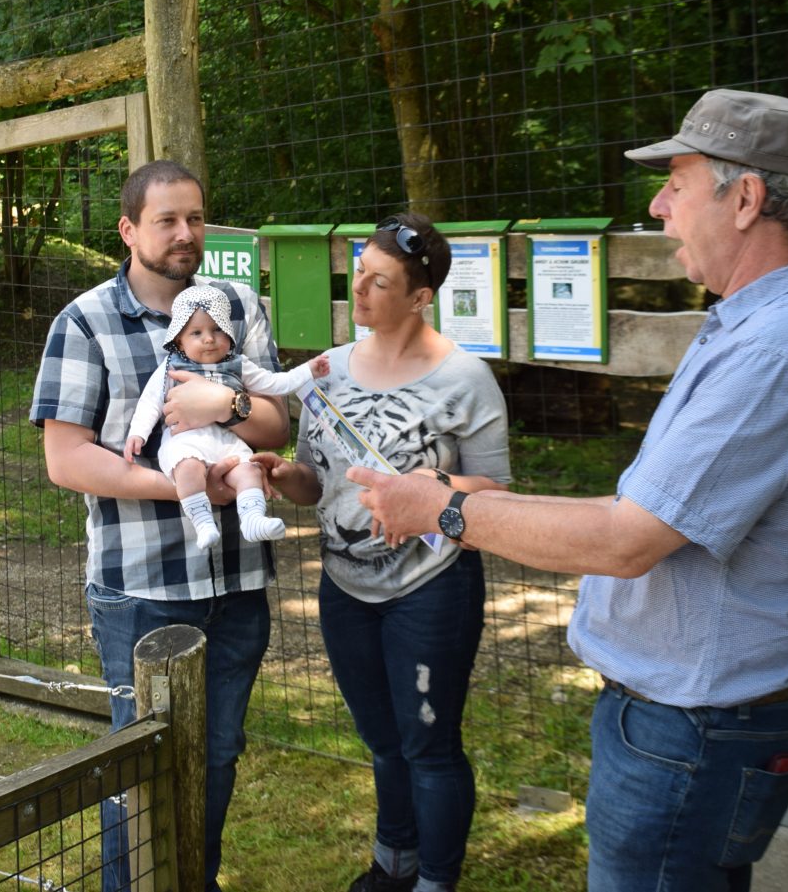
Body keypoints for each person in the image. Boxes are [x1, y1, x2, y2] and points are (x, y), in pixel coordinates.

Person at [349, 90, 788, 892]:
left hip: (694, 729)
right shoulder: (759, 326)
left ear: (745, 199)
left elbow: (625, 541)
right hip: (692, 722)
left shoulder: (780, 347)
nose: (658, 205)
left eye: (677, 181)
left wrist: (444, 508)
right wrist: (450, 496)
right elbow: (634, 511)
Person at [30, 159, 289, 892]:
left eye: (195, 218)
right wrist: (182, 487)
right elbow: (66, 459)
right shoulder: (86, 320)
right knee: (140, 764)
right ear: (128, 229)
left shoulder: (239, 304)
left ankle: (191, 880)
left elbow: (277, 422)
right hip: (141, 585)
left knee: (219, 753)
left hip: (236, 579)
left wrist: (226, 406)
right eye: (166, 220)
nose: (185, 233)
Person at [252, 213, 511, 892]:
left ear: (421, 297)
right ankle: (392, 865)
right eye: (358, 271)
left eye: (380, 282)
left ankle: (436, 881)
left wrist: (436, 484)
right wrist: (284, 475)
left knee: (429, 746)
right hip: (345, 587)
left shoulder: (466, 378)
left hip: (432, 587)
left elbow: (497, 491)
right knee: (383, 740)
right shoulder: (327, 370)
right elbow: (316, 484)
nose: (359, 289)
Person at [125, 284, 328, 549]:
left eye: (217, 329)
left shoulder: (238, 364)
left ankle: (253, 520)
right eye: (196, 333)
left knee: (249, 470)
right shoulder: (170, 367)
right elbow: (150, 402)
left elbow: (276, 384)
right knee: (187, 469)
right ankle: (202, 522)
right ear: (179, 339)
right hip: (184, 440)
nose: (209, 339)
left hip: (227, 441)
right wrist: (138, 433)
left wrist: (308, 370)